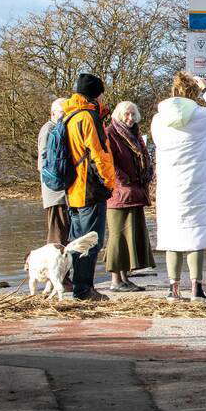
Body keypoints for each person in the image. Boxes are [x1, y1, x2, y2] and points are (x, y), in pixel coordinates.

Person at [151, 72, 206, 302]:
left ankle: (173, 290)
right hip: (197, 184)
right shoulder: (200, 116)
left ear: (173, 92)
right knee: (196, 235)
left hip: (171, 185)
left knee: (171, 236)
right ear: (192, 94)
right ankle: (196, 289)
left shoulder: (158, 120)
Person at [63, 73, 116, 301]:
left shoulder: (68, 116)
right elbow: (98, 153)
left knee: (76, 241)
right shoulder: (87, 117)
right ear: (95, 93)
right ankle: (84, 290)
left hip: (72, 188)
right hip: (90, 188)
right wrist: (109, 182)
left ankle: (78, 287)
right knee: (91, 240)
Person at [105, 101, 155, 292]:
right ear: (118, 115)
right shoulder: (110, 133)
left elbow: (144, 160)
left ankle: (124, 279)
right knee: (118, 237)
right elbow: (110, 164)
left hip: (134, 192)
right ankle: (115, 281)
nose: (130, 118)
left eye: (133, 114)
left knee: (130, 236)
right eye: (127, 114)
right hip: (119, 194)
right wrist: (124, 184)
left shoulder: (134, 134)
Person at [37, 97, 72, 292]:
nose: (65, 117)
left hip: (63, 193)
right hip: (55, 193)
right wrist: (59, 181)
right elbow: (44, 163)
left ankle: (61, 280)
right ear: (52, 114)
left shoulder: (59, 129)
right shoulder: (49, 130)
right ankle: (56, 281)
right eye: (62, 113)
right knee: (56, 238)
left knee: (64, 237)